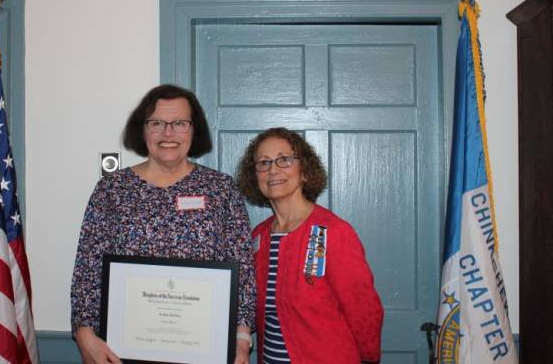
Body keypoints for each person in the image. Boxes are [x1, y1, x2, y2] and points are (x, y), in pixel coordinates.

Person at [71, 84, 255, 364]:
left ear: (194, 130)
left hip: (204, 350)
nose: (168, 133)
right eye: (156, 123)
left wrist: (242, 340)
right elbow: (88, 268)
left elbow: (242, 270)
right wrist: (84, 334)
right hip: (123, 351)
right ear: (142, 130)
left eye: (180, 123)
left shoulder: (221, 189)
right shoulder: (112, 189)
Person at [236, 127, 384, 363]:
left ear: (304, 171)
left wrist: (367, 357)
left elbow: (363, 309)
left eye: (284, 160)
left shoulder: (333, 232)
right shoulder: (259, 236)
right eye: (263, 162)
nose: (273, 169)